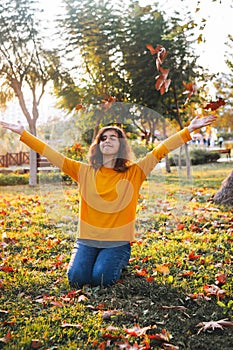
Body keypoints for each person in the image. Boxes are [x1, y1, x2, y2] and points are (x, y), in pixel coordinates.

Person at [0, 114, 217, 287]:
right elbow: (53, 155)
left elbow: (159, 151)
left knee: (102, 279)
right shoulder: (83, 171)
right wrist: (24, 134)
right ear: (98, 146)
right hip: (87, 240)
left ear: (121, 145)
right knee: (76, 278)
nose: (107, 140)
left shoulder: (134, 172)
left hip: (117, 243)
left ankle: (119, 260)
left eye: (113, 137)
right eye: (103, 138)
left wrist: (188, 130)